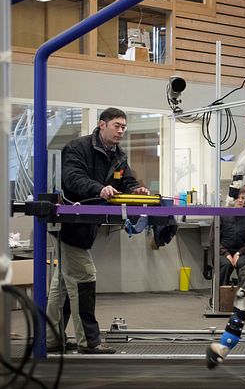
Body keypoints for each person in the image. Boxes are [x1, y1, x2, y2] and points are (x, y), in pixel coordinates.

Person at [47, 107, 150, 354]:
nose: (121, 131)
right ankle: (89, 341)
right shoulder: (77, 148)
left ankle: (51, 339)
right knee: (84, 276)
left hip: (87, 226)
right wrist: (99, 189)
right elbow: (71, 178)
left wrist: (136, 189)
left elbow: (126, 179)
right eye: (117, 125)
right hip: (69, 224)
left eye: (124, 127)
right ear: (102, 125)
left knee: (62, 285)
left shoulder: (117, 155)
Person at [215, 189, 245, 286]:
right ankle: (221, 297)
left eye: (243, 198)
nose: (240, 200)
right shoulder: (222, 215)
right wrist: (226, 254)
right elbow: (214, 239)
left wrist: (239, 253)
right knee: (226, 265)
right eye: (238, 197)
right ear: (232, 199)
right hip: (223, 252)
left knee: (244, 265)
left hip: (241, 252)